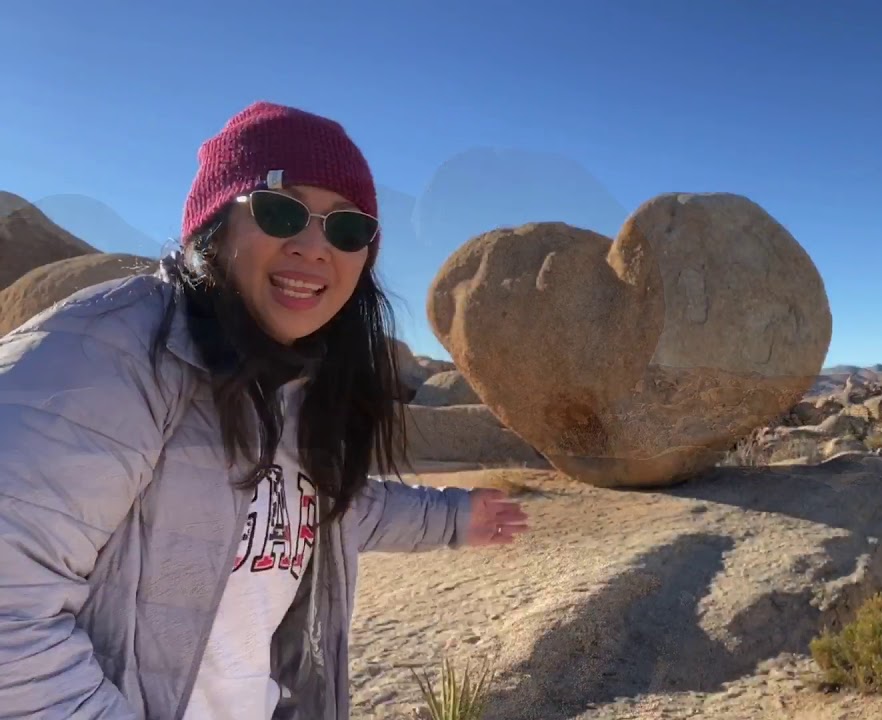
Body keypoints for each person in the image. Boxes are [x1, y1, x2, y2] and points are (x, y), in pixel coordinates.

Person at [0, 101, 529, 720]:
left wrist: (454, 517)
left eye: (347, 228)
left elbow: (325, 510)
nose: (314, 247)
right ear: (214, 223)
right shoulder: (106, 355)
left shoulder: (295, 380)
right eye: (282, 210)